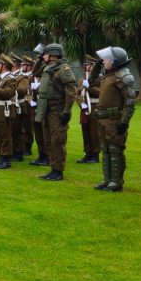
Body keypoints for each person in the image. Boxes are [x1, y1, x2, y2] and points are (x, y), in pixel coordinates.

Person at [92, 46, 135, 192]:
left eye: (106, 59)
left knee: (115, 149)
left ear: (115, 61)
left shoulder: (122, 77)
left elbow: (130, 102)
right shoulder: (107, 76)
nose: (103, 61)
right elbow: (91, 81)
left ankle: (116, 182)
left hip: (114, 120)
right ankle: (107, 179)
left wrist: (124, 122)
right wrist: (96, 67)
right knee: (105, 150)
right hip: (103, 119)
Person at [34, 43, 77, 180]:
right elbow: (34, 73)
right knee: (48, 141)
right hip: (46, 110)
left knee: (57, 140)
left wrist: (66, 111)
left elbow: (71, 92)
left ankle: (58, 171)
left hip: (56, 111)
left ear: (52, 54)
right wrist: (39, 60)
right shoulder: (48, 67)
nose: (43, 56)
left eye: (45, 54)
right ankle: (53, 168)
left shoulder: (63, 69)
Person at [76, 55, 101, 163]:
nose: (85, 67)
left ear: (93, 66)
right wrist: (82, 104)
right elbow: (77, 94)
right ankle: (87, 153)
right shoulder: (82, 80)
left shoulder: (100, 78)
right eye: (84, 65)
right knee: (85, 132)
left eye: (87, 65)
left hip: (95, 107)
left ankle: (95, 154)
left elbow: (100, 93)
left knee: (94, 132)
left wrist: (89, 87)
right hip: (84, 108)